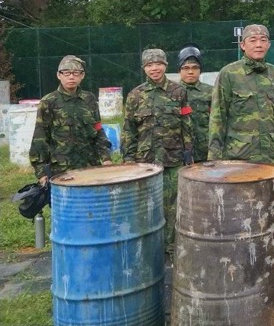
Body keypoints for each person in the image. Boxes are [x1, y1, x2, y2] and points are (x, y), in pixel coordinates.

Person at [122, 49, 193, 257]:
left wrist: (188, 154)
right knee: (146, 206)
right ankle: (149, 249)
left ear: (166, 65)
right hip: (145, 162)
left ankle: (171, 248)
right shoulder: (135, 95)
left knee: (174, 206)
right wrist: (128, 159)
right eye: (149, 65)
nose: (154, 68)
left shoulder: (179, 92)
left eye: (158, 64)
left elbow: (186, 125)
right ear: (144, 68)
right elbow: (128, 130)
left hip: (173, 159)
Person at [207, 24, 274, 166]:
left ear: (269, 44)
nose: (258, 45)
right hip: (240, 156)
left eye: (263, 40)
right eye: (253, 40)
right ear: (243, 45)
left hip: (272, 155)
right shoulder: (229, 73)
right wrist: (214, 156)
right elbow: (217, 117)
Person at [30, 55, 112, 185]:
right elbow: (40, 137)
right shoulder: (49, 102)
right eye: (66, 73)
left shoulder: (89, 99)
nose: (71, 77)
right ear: (59, 75)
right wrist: (41, 172)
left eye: (76, 73)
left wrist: (106, 157)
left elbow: (98, 130)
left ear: (82, 75)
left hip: (89, 166)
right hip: (61, 169)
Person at [177, 45, 213, 162]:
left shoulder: (211, 92)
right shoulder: (171, 93)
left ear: (200, 70)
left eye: (195, 68)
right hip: (179, 153)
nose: (190, 72)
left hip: (206, 151)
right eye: (186, 68)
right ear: (179, 70)